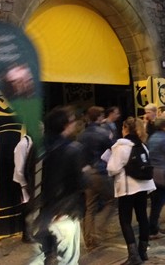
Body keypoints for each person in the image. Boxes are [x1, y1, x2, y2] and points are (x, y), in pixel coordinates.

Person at [32, 107, 85, 265]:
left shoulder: (38, 148)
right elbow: (80, 183)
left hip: (42, 214)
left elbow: (31, 178)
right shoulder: (73, 149)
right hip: (64, 213)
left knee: (41, 257)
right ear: (66, 125)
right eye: (72, 121)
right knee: (68, 259)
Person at [107, 117, 156, 264]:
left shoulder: (120, 146)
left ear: (125, 129)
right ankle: (143, 251)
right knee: (142, 217)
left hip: (127, 188)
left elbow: (112, 169)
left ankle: (133, 255)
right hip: (143, 186)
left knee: (125, 220)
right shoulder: (142, 145)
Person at [77, 106, 115, 250]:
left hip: (86, 173)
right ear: (99, 117)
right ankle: (99, 229)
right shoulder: (104, 132)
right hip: (100, 172)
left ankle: (89, 240)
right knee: (112, 200)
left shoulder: (81, 134)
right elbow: (113, 150)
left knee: (90, 207)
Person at [13, 132, 36, 243]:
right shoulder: (23, 144)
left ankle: (32, 232)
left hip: (30, 180)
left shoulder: (34, 143)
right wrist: (24, 183)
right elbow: (19, 167)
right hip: (23, 181)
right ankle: (26, 235)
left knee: (31, 207)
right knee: (27, 208)